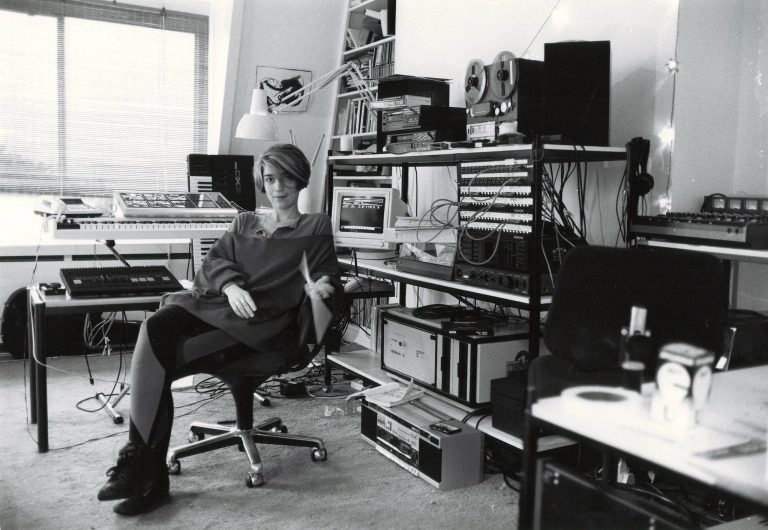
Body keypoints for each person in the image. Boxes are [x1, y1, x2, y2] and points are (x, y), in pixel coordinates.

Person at [97, 144, 341, 515]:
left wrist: (322, 288)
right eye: (270, 179)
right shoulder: (244, 223)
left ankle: (148, 477)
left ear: (300, 180)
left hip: (262, 325)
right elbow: (213, 263)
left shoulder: (315, 226)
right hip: (219, 305)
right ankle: (141, 467)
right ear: (262, 182)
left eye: (286, 178)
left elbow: (328, 280)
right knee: (156, 326)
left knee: (159, 362)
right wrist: (230, 285)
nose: (278, 188)